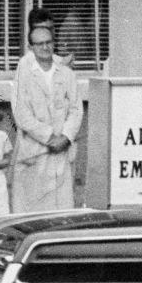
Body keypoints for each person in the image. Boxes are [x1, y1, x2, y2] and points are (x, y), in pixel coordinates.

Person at [12, 25, 83, 212]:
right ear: (31, 47)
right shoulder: (24, 75)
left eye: (48, 42)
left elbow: (76, 109)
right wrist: (50, 137)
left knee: (61, 212)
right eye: (40, 43)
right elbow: (21, 114)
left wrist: (66, 137)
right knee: (33, 210)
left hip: (61, 151)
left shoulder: (67, 74)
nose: (45, 47)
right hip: (35, 152)